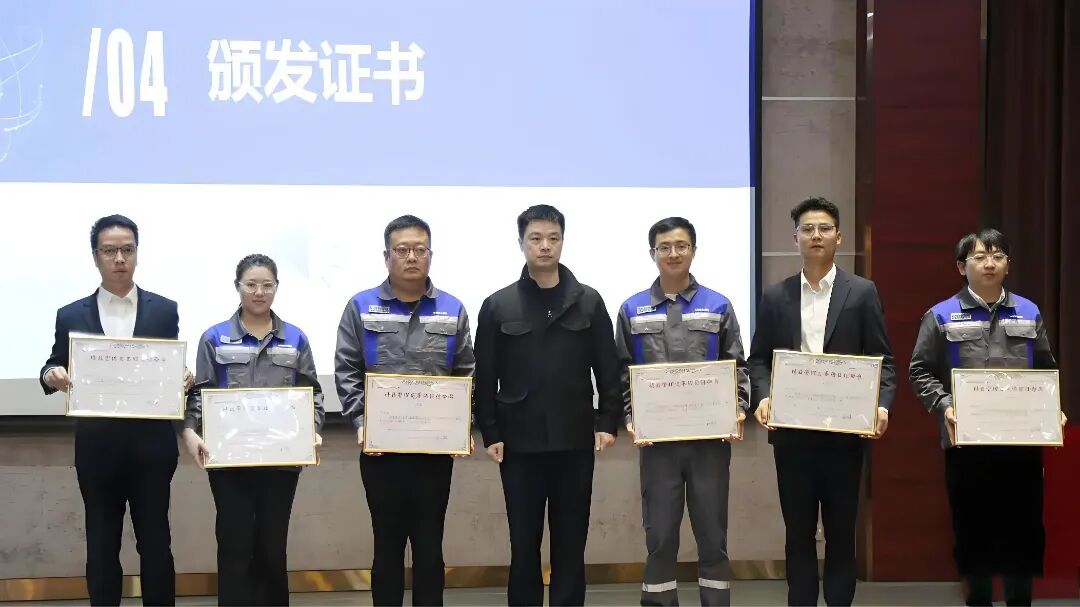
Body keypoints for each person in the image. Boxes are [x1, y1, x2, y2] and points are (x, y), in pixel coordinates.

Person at [748, 197, 896, 607]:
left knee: (841, 533)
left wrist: (881, 405)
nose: (816, 235)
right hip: (792, 435)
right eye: (808, 229)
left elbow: (882, 360)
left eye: (824, 228)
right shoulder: (776, 296)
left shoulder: (862, 292)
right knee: (797, 534)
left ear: (839, 237)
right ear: (795, 238)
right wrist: (763, 397)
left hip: (844, 436)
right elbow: (758, 359)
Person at [40, 214, 193, 606]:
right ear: (96, 257)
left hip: (152, 449)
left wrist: (182, 376)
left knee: (156, 544)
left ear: (137, 253)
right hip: (98, 451)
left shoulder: (164, 310)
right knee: (102, 545)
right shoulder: (70, 314)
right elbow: (53, 364)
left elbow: (169, 366)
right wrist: (51, 374)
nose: (120, 258)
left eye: (127, 249)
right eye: (110, 251)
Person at [474, 204, 622, 606]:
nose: (545, 246)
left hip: (574, 440)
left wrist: (607, 421)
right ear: (521, 243)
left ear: (562, 242)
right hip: (518, 444)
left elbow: (607, 367)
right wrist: (490, 431)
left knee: (571, 542)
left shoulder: (588, 301)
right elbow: (485, 375)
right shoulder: (499, 304)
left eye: (553, 238)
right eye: (536, 238)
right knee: (523, 543)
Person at [909, 229, 1063, 607]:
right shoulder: (941, 315)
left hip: (1021, 445)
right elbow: (920, 370)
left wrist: (1052, 405)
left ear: (1008, 265)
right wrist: (945, 405)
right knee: (972, 535)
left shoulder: (1029, 312)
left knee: (1023, 536)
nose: (989, 263)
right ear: (962, 267)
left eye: (997, 256)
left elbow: (1045, 368)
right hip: (967, 445)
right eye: (979, 257)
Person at [335, 215, 475, 606]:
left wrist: (462, 424)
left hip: (434, 451)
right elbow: (346, 369)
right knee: (387, 546)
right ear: (387, 256)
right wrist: (361, 421)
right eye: (402, 250)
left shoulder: (452, 309)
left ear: (430, 255)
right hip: (382, 451)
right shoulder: (361, 307)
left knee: (430, 547)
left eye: (419, 249)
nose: (411, 257)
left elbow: (466, 371)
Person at [615, 217, 750, 607]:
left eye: (681, 246)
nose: (673, 254)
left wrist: (738, 409)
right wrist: (630, 415)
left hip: (709, 442)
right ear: (652, 253)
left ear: (693, 250)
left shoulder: (718, 305)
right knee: (659, 538)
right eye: (664, 247)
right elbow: (622, 371)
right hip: (658, 445)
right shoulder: (631, 309)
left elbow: (737, 366)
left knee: (713, 536)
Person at [181, 254, 325, 606]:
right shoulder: (214, 338)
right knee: (235, 547)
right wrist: (190, 430)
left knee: (273, 549)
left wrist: (312, 429)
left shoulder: (296, 338)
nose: (259, 292)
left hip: (281, 462)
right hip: (230, 462)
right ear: (238, 287)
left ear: (276, 288)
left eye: (267, 285)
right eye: (251, 285)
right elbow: (200, 394)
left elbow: (313, 394)